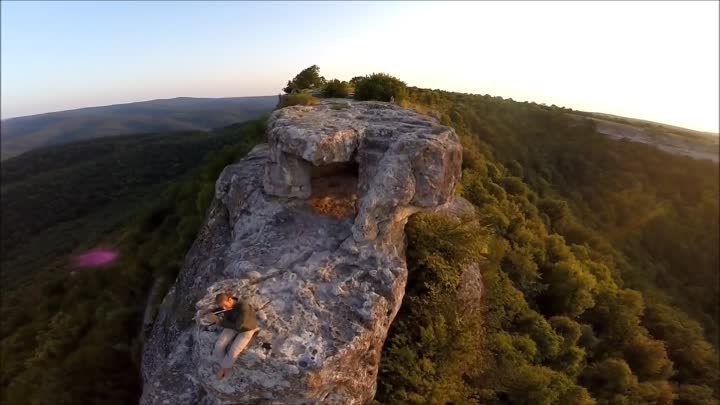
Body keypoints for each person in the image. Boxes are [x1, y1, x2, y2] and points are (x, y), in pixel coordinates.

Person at [202, 292, 260, 380]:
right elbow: (220, 308)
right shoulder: (226, 306)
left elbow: (239, 326)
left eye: (225, 305)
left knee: (233, 351)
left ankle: (224, 369)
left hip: (246, 329)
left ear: (230, 299)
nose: (224, 308)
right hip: (231, 324)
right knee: (219, 346)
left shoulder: (244, 307)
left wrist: (219, 321)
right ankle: (226, 367)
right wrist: (210, 312)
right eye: (222, 306)